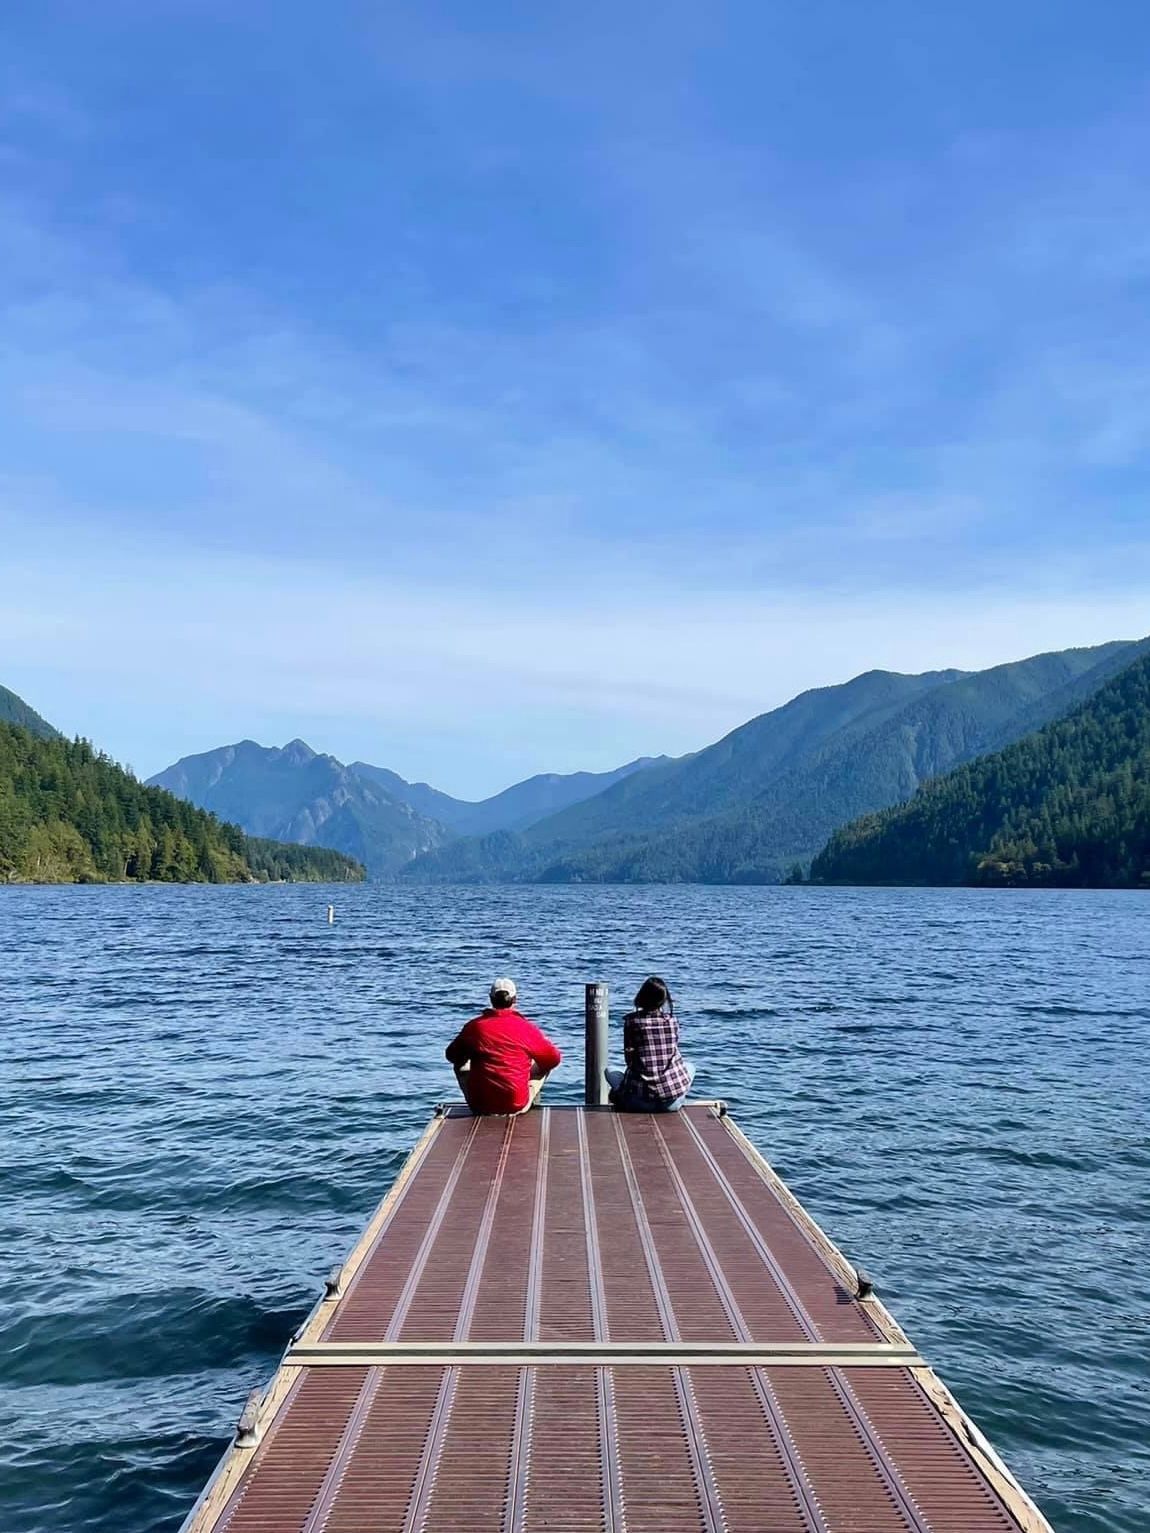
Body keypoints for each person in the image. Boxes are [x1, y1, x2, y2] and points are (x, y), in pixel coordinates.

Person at [445, 978, 562, 1116]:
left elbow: (452, 1055)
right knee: (543, 1064)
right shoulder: (526, 1028)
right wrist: (529, 1069)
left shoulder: (475, 1027)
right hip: (515, 1105)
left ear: (491, 999)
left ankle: (476, 1099)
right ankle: (528, 1096)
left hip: (481, 1106)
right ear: (515, 999)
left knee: (461, 1065)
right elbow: (554, 1058)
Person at [606, 975, 695, 1112]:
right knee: (690, 1067)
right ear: (664, 1000)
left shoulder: (632, 1022)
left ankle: (621, 1098)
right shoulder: (672, 1021)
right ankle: (677, 1095)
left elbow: (629, 1060)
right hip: (671, 1103)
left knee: (610, 1071)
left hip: (637, 1102)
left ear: (641, 997)